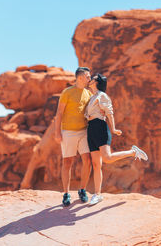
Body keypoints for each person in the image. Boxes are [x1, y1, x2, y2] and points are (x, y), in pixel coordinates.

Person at [85, 73, 148, 206]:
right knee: (96, 164)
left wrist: (113, 129)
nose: (90, 80)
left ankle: (132, 152)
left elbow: (109, 112)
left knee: (107, 158)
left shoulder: (102, 95)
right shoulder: (92, 97)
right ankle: (97, 195)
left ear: (97, 82)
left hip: (100, 128)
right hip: (91, 130)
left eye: (93, 79)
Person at [55, 67, 92, 206]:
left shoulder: (88, 93)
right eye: (88, 77)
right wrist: (57, 132)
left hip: (84, 131)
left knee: (87, 160)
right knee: (67, 163)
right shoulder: (67, 92)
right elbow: (59, 113)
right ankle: (66, 193)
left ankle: (82, 189)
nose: (89, 79)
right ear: (80, 77)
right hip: (68, 132)